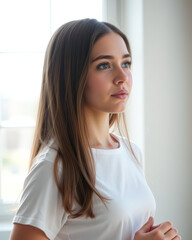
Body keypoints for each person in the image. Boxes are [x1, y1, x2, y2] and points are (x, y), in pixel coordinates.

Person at [10, 18, 181, 240]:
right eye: (104, 65)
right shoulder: (55, 167)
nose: (122, 78)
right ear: (71, 76)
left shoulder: (131, 151)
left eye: (126, 63)